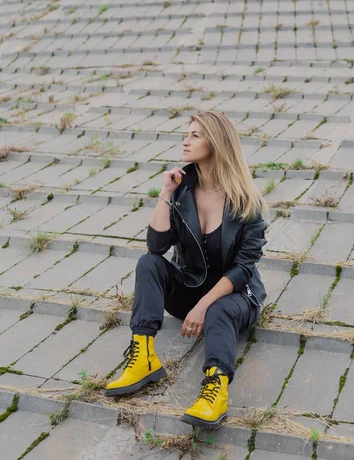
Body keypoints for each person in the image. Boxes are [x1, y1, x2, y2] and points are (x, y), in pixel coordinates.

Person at [106, 111, 268, 429]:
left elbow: (243, 270)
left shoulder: (247, 201)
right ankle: (143, 358)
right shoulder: (181, 191)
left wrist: (204, 306)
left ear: (217, 142)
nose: (185, 140)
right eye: (186, 133)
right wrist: (165, 194)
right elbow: (156, 247)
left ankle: (216, 389)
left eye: (195, 135)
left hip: (236, 295)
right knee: (148, 264)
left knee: (220, 308)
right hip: (191, 287)